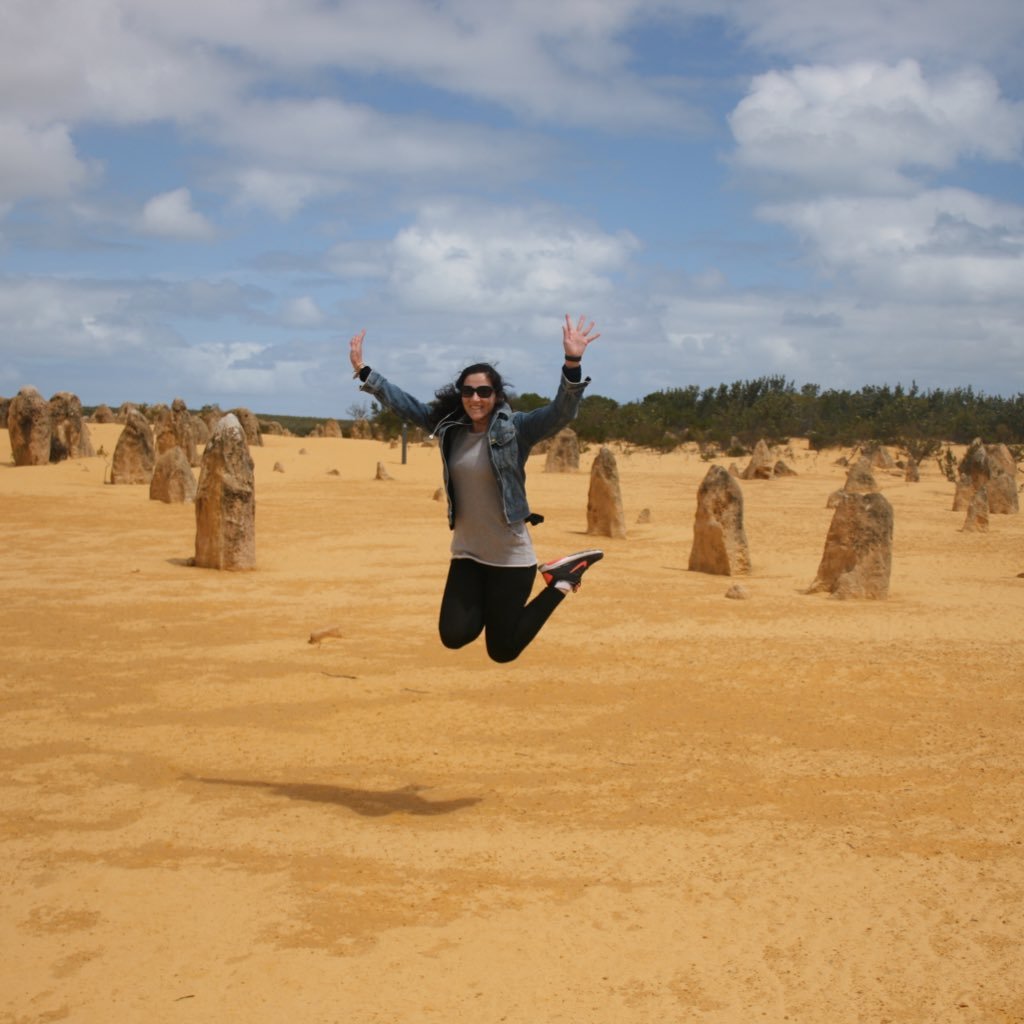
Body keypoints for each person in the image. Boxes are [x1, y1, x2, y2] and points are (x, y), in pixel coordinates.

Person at [348, 314, 604, 663]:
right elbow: (406, 405)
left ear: (496, 395)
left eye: (484, 391)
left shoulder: (517, 428)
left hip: (509, 556)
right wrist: (366, 373)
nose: (475, 398)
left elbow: (561, 412)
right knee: (454, 635)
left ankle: (561, 581)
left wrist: (572, 362)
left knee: (502, 650)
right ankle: (498, 606)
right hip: (468, 553)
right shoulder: (450, 428)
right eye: (468, 391)